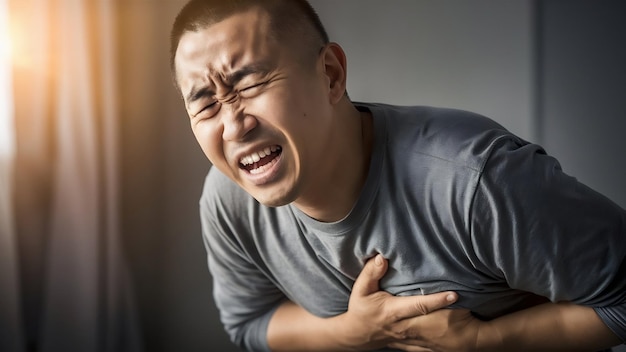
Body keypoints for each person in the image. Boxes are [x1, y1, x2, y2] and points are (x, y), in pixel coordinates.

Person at [169, 0, 626, 351]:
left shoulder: (474, 181)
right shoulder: (228, 200)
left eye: (249, 84)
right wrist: (352, 333)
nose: (233, 126)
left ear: (330, 74)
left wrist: (487, 341)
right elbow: (249, 322)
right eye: (206, 103)